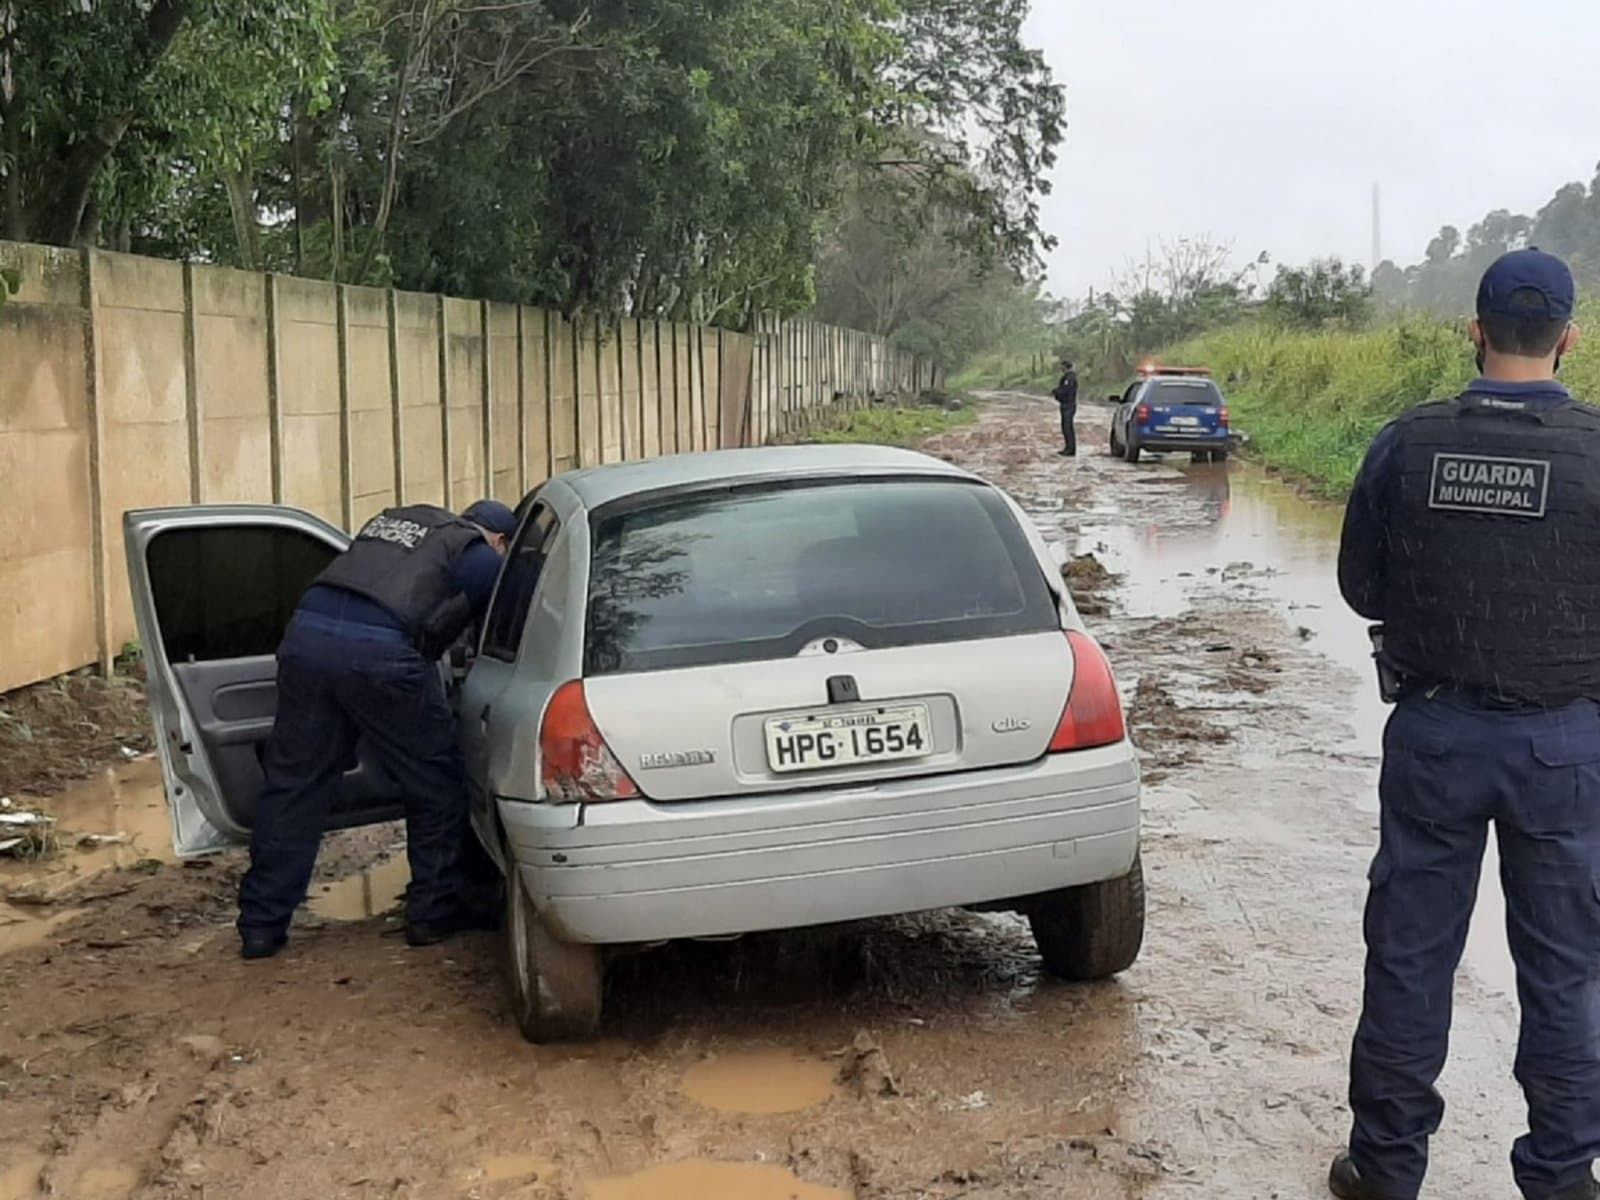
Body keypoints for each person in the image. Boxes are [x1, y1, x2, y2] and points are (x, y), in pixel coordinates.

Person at [1331, 248, 1599, 1200]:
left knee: (1410, 956)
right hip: (1566, 746)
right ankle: (1564, 1176)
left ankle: (1385, 1168)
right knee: (1567, 970)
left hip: (1435, 737)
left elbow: (1362, 585)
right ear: (1568, 339)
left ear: (1475, 332)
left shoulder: (1410, 441)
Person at [237, 499, 520, 961]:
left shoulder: (402, 523)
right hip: (381, 656)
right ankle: (433, 912)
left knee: (293, 789)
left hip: (305, 637)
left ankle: (261, 927)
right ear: (501, 540)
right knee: (435, 785)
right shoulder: (480, 555)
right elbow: (508, 613)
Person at [1053, 360, 1080, 457]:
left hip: (1069, 405)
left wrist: (1057, 393)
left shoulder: (1070, 378)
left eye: (1062, 366)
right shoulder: (1067, 378)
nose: (1061, 368)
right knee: (1065, 427)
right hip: (1066, 404)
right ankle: (1068, 447)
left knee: (1068, 427)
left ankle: (1070, 449)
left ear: (1065, 367)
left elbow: (1066, 391)